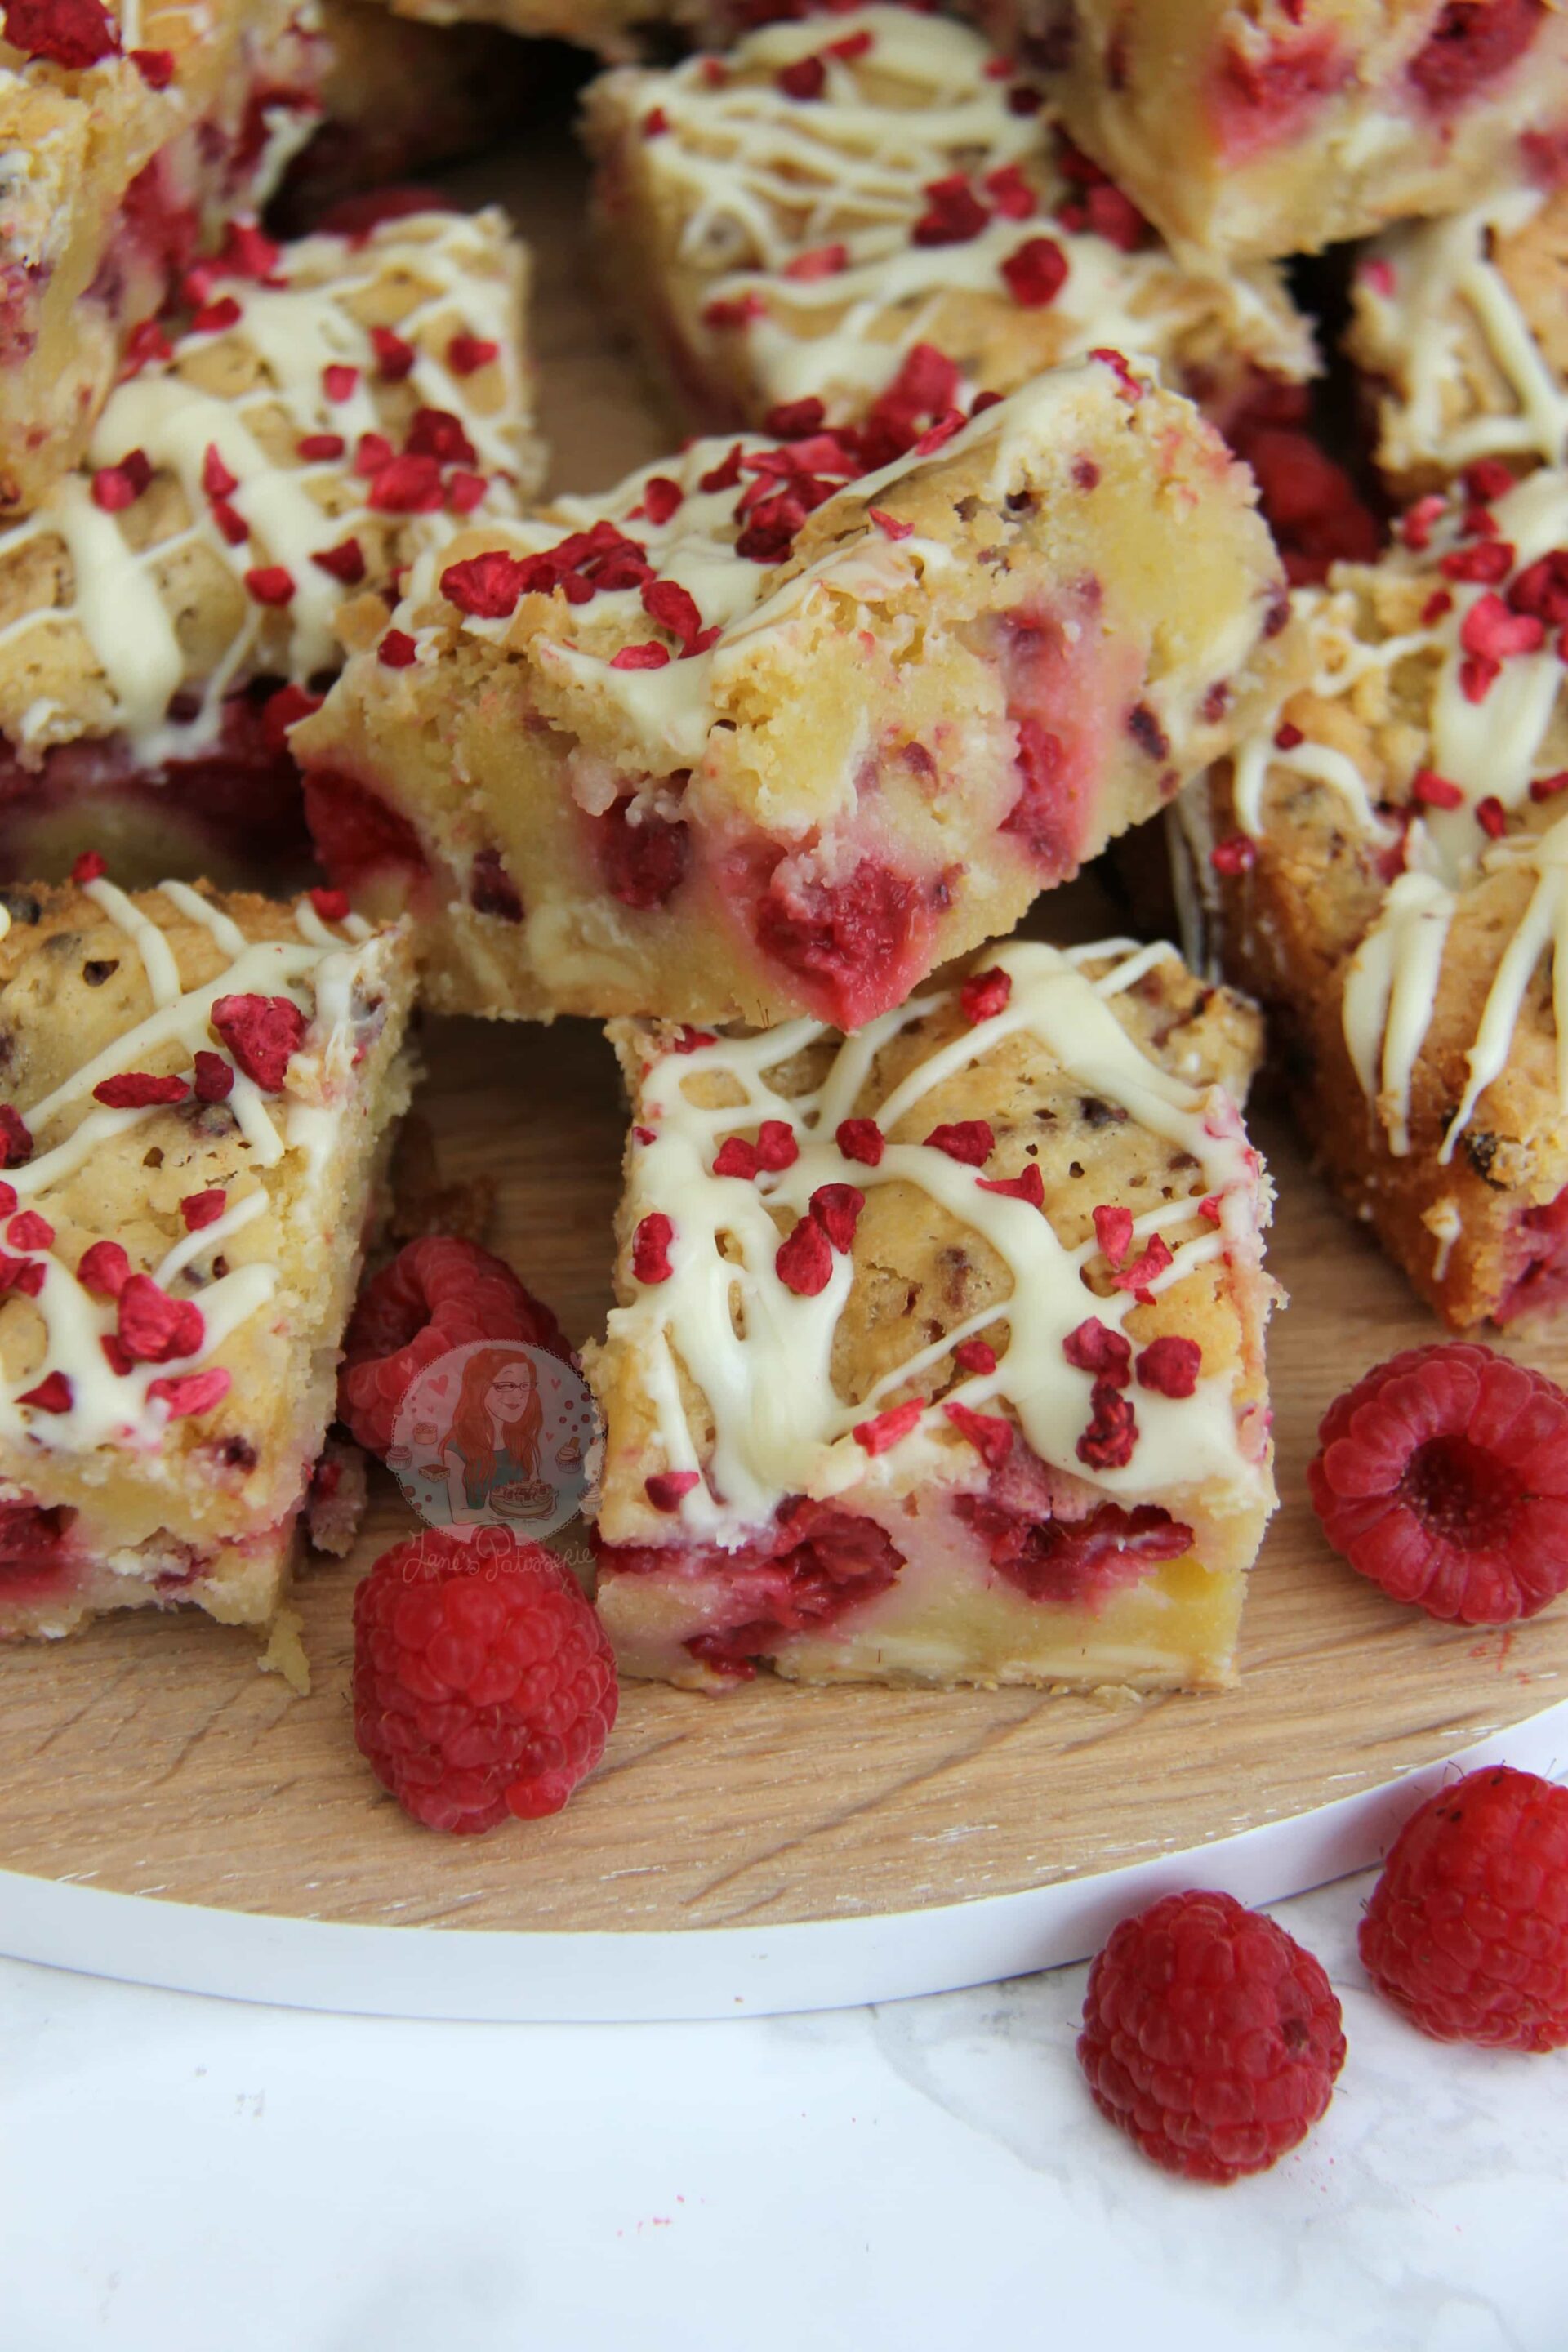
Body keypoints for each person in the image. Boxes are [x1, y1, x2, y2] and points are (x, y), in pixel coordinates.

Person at [441, 1345, 548, 1527]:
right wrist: (493, 1513)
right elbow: (458, 1515)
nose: (519, 1395)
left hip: (524, 1538)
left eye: (525, 1385)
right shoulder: (457, 1448)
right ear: (479, 1387)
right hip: (478, 1541)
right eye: (506, 1385)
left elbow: (535, 1492)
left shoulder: (523, 1443)